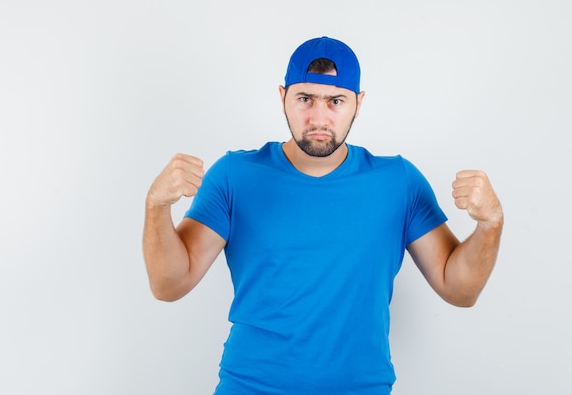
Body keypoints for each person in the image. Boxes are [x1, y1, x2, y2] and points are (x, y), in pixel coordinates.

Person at [142, 36, 503, 395]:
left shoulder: (398, 182)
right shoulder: (234, 176)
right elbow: (169, 285)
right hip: (251, 387)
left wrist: (490, 224)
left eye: (335, 101)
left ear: (358, 104)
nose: (318, 117)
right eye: (304, 99)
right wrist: (157, 206)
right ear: (282, 96)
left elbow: (459, 290)